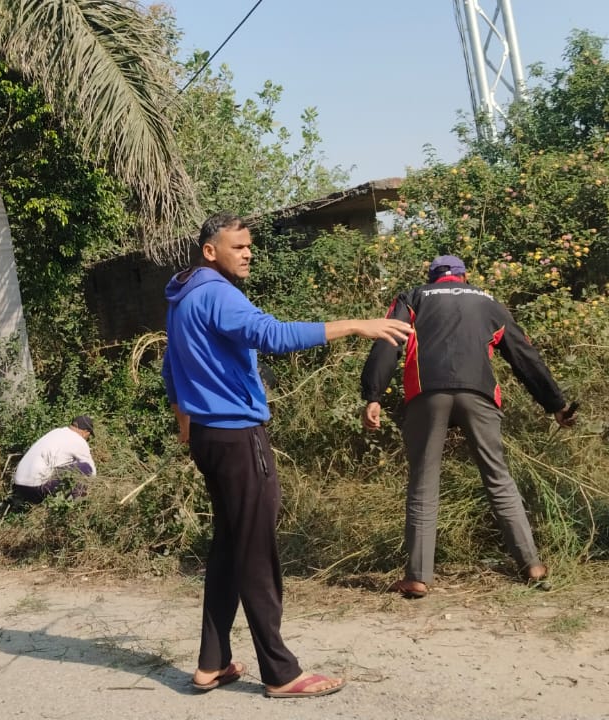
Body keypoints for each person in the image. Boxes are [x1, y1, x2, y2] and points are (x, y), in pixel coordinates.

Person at [162, 213, 411, 699]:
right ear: (211, 251)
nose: (248, 253)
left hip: (212, 437)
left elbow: (173, 366)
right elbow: (273, 335)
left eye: (249, 245)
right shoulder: (217, 293)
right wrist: (356, 325)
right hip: (237, 436)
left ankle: (211, 663)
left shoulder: (183, 295)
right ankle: (281, 672)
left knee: (230, 547)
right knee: (256, 553)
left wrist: (187, 427)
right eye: (237, 246)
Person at [360, 255, 578, 599]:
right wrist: (556, 404)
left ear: (432, 277)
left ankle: (417, 576)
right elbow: (523, 354)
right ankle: (532, 564)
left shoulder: (412, 297)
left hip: (426, 393)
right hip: (479, 393)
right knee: (498, 477)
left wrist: (372, 395)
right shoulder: (487, 301)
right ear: (463, 278)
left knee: (423, 482)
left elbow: (387, 342)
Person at [11, 416, 96, 505]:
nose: (87, 439)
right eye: (89, 436)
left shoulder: (55, 432)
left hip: (19, 487)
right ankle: (75, 503)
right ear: (86, 432)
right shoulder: (79, 441)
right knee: (86, 467)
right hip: (36, 489)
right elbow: (92, 472)